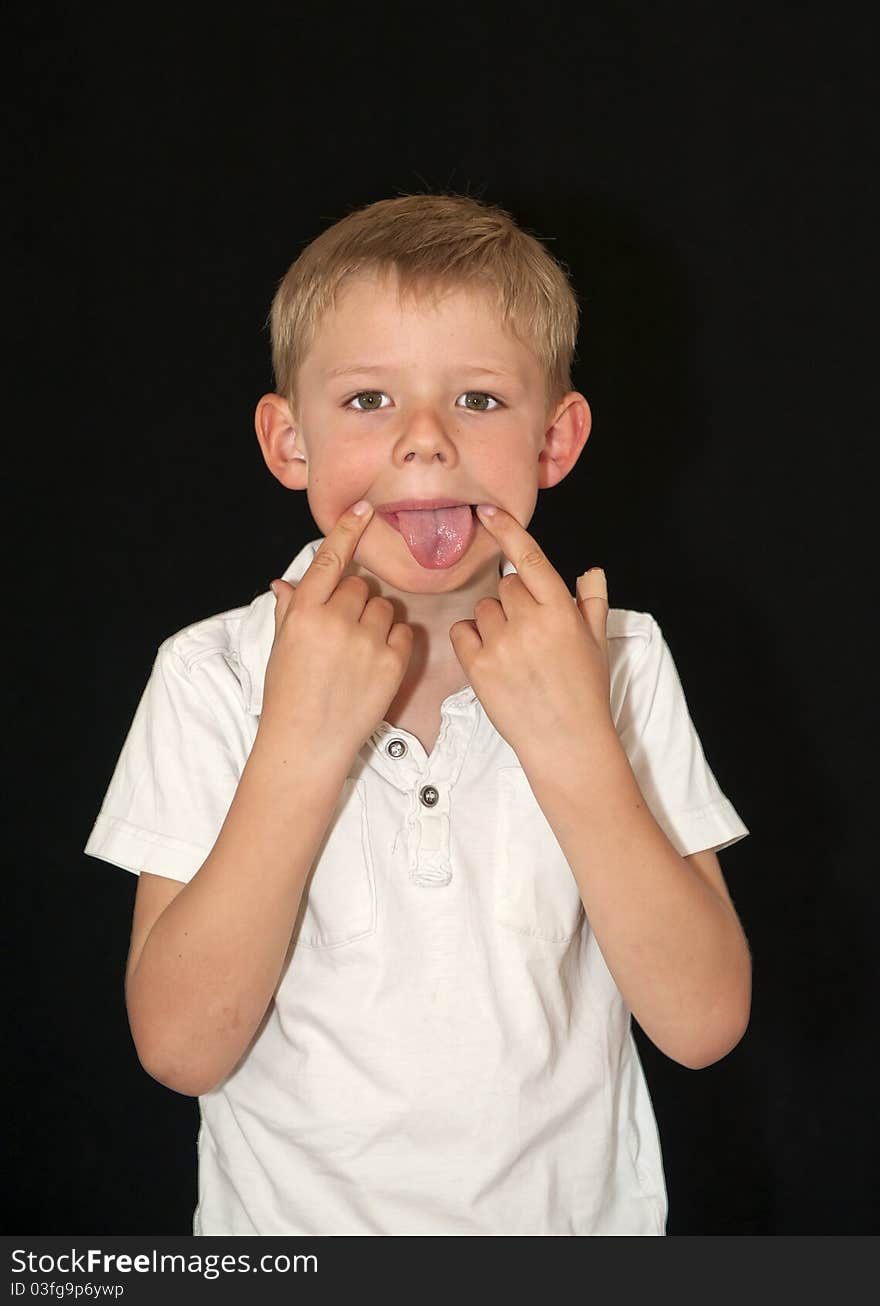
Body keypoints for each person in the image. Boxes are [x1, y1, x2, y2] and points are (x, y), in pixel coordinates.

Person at [84, 193, 752, 1236]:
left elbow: (704, 1022)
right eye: (367, 401)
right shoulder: (209, 673)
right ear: (286, 439)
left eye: (480, 399)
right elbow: (180, 1047)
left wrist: (572, 739)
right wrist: (301, 740)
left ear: (556, 439)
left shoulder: (621, 660)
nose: (427, 443)